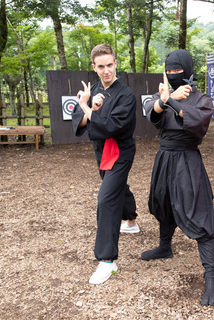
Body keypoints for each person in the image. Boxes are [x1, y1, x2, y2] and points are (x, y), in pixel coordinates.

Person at [141, 49, 214, 306]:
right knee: (163, 204)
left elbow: (198, 124)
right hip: (164, 158)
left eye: (178, 71)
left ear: (188, 69)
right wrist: (165, 99)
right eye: (170, 71)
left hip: (188, 160)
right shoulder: (163, 93)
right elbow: (151, 115)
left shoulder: (201, 98)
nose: (174, 75)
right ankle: (165, 246)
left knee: (198, 213)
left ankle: (211, 277)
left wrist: (174, 101)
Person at [72, 43, 138, 284]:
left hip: (120, 152)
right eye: (101, 67)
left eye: (110, 65)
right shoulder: (94, 91)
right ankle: (131, 220)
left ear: (115, 63)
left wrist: (87, 108)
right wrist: (90, 107)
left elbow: (112, 126)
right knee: (117, 187)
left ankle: (107, 260)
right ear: (94, 68)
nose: (106, 70)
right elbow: (78, 123)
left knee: (106, 197)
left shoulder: (126, 94)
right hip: (102, 151)